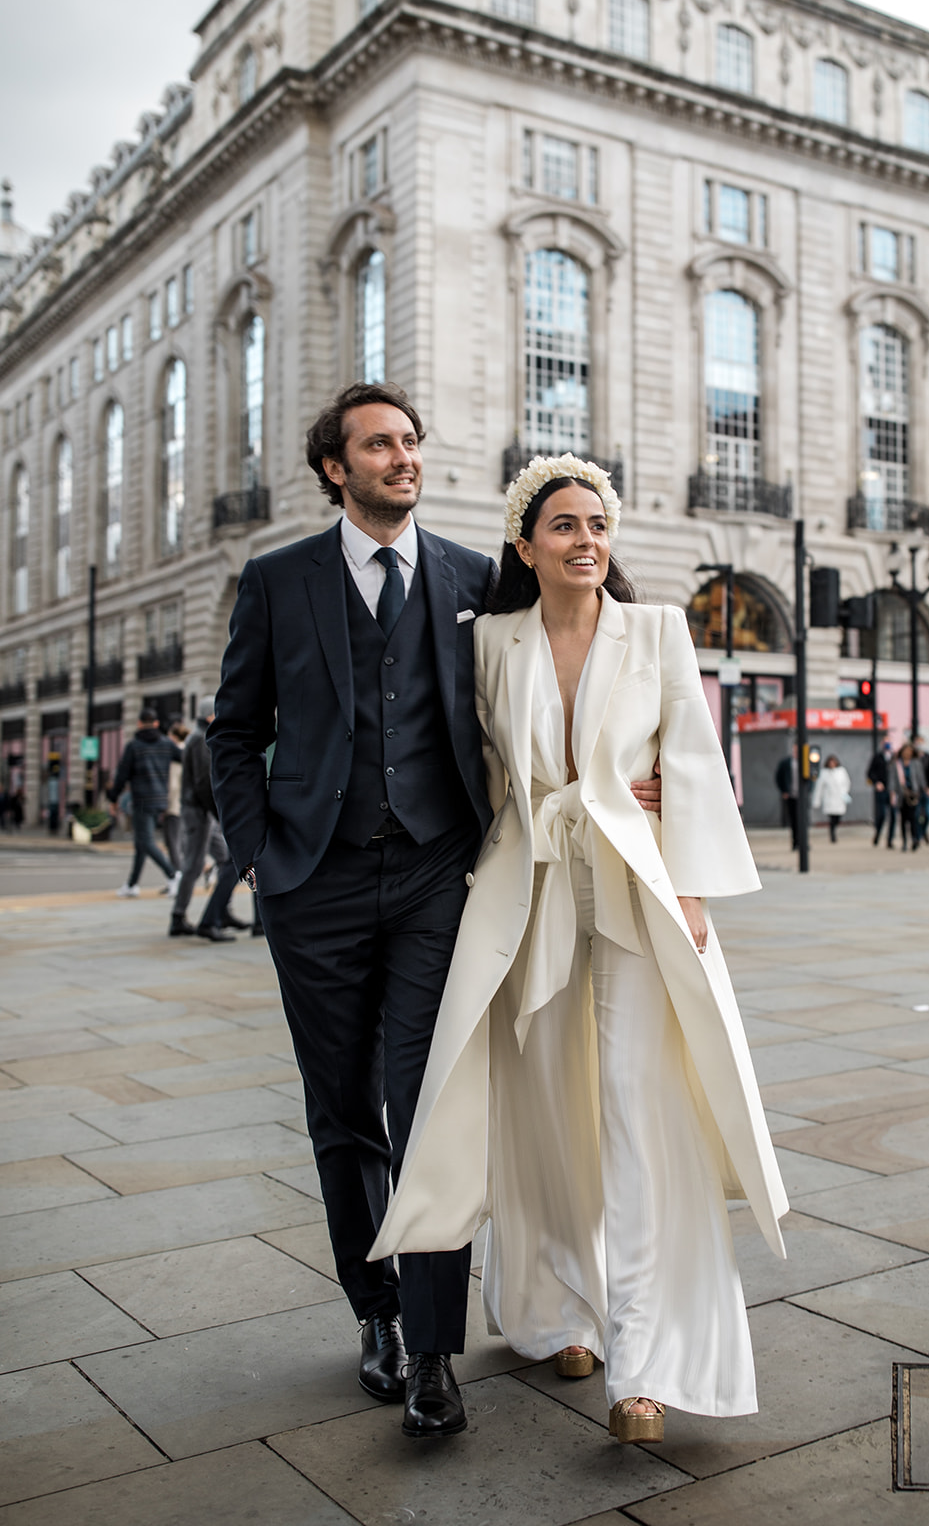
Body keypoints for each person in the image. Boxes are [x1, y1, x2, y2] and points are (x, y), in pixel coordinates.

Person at [208, 381, 666, 1441]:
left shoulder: (471, 576)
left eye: (410, 442)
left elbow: (554, 670)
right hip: (311, 884)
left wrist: (618, 776)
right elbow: (232, 730)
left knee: (429, 1109)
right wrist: (258, 852)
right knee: (341, 1115)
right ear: (336, 466)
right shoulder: (276, 580)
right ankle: (371, 1313)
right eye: (378, 445)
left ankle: (430, 1350)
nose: (401, 458)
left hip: (434, 880)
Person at [370, 455, 788, 1447]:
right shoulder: (489, 641)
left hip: (637, 895)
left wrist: (685, 888)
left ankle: (643, 1364)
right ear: (524, 545)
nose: (585, 541)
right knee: (545, 1114)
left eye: (596, 525)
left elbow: (688, 758)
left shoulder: (657, 631)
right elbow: (460, 765)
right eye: (563, 526)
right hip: (525, 894)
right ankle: (562, 1310)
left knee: (641, 1116)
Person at [169, 698, 243, 942]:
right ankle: (178, 917)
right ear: (210, 715)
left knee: (225, 858)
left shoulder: (200, 735)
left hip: (202, 810)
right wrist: (219, 813)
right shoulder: (201, 738)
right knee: (194, 863)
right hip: (198, 811)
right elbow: (204, 781)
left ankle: (222, 911)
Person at [108, 708, 181, 897]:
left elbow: (121, 776)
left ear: (139, 723)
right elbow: (184, 757)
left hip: (141, 799)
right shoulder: (166, 743)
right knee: (141, 844)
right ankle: (132, 885)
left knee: (146, 841)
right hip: (160, 800)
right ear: (156, 723)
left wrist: (113, 798)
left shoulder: (134, 746)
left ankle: (173, 874)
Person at [889, 742, 926, 853]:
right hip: (901, 794)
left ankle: (915, 839)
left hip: (914, 794)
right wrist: (892, 793)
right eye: (905, 751)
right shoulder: (896, 764)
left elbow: (921, 778)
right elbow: (892, 780)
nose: (907, 754)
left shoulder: (916, 763)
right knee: (903, 819)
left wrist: (924, 790)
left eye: (909, 751)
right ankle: (904, 841)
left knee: (914, 818)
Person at [163, 721, 189, 873]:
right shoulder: (188, 750)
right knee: (183, 841)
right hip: (186, 803)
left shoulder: (175, 756)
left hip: (175, 805)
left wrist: (166, 804)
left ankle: (176, 875)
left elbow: (173, 784)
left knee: (173, 843)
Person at [812, 753, 850, 841]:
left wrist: (845, 793)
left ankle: (834, 831)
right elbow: (819, 788)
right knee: (832, 818)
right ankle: (832, 834)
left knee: (837, 817)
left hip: (839, 798)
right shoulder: (824, 773)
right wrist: (817, 801)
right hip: (829, 798)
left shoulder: (841, 771)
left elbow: (846, 783)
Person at [866, 737, 896, 848]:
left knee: (893, 815)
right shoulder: (877, 757)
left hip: (893, 791)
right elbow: (870, 773)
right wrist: (876, 782)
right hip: (881, 790)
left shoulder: (894, 757)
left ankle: (890, 840)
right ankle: (878, 834)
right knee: (882, 815)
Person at [775, 742, 798, 849]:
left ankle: (802, 841)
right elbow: (778, 777)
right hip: (791, 796)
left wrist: (808, 791)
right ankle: (795, 842)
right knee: (793, 819)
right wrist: (784, 791)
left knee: (802, 819)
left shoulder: (806, 762)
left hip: (802, 796)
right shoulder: (786, 763)